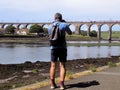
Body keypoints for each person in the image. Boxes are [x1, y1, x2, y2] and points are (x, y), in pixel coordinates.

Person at [48, 13, 72, 90]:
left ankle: (52, 84)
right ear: (61, 18)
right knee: (62, 65)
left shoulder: (50, 26)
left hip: (53, 48)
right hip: (62, 48)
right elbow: (70, 33)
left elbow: (50, 36)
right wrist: (64, 23)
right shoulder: (64, 25)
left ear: (54, 18)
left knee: (53, 66)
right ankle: (61, 85)